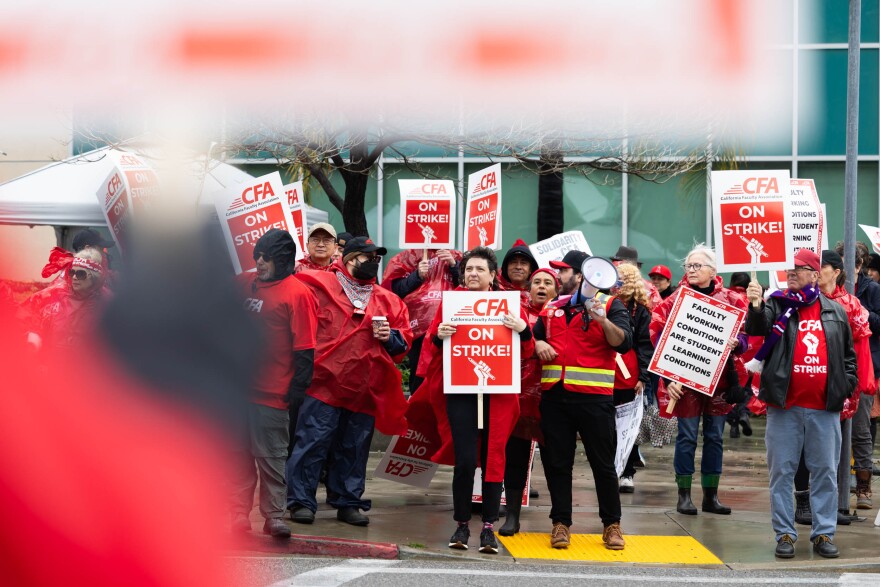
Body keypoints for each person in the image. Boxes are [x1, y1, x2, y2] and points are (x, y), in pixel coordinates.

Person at [408, 247, 534, 554]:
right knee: (464, 461)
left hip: (499, 393)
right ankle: (462, 524)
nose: (473, 274)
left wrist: (524, 331)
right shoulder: (451, 304)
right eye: (468, 270)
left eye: (480, 269)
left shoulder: (510, 306)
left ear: (493, 275)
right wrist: (439, 334)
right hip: (461, 391)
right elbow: (432, 348)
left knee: (494, 459)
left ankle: (489, 527)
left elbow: (526, 354)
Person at [287, 236, 412, 527]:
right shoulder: (317, 286)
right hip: (323, 385)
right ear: (349, 258)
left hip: (364, 389)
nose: (373, 263)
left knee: (354, 448)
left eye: (377, 259)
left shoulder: (387, 299)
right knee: (312, 442)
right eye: (367, 258)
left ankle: (348, 501)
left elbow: (403, 338)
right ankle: (301, 501)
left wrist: (391, 337)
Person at [745, 248, 857, 559]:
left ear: (814, 273)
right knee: (782, 471)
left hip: (825, 409)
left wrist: (844, 387)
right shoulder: (778, 303)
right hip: (785, 408)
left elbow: (849, 358)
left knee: (825, 472)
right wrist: (755, 303)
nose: (791, 273)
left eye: (798, 268)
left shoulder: (835, 311)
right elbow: (756, 327)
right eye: (788, 268)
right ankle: (784, 533)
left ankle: (823, 534)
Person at [533, 257, 633, 551]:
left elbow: (623, 343)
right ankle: (560, 523)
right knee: (557, 464)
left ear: (577, 275)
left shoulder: (612, 305)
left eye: (563, 271)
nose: (560, 275)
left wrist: (602, 320)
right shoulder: (552, 307)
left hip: (594, 398)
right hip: (555, 398)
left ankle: (611, 524)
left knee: (603, 464)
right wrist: (537, 343)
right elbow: (534, 339)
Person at [231, 229, 318, 539]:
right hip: (238, 392)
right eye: (258, 256)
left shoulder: (298, 294)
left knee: (271, 459)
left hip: (273, 394)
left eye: (267, 258)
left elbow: (305, 349)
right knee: (237, 457)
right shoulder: (244, 283)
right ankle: (238, 514)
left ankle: (274, 517)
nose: (260, 261)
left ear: (283, 261)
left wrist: (297, 391)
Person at [650, 245, 748, 516]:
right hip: (683, 381)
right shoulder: (673, 301)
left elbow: (745, 339)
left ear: (713, 271)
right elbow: (657, 338)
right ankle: (684, 496)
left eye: (697, 266)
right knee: (687, 436)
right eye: (688, 266)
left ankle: (710, 496)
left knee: (715, 436)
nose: (691, 270)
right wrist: (666, 375)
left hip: (720, 382)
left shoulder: (732, 299)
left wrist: (736, 342)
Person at [792, 250, 873, 526]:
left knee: (832, 448)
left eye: (822, 266)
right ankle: (803, 500)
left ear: (836, 271)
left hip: (836, 387)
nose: (817, 270)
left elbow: (860, 350)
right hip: (806, 383)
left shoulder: (851, 305)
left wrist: (854, 384)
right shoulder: (803, 300)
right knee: (804, 445)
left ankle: (831, 504)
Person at [500, 267, 558, 536]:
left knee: (556, 461)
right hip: (519, 398)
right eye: (536, 282)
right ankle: (512, 515)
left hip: (553, 400)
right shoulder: (515, 314)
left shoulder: (563, 315)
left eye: (548, 283)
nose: (541, 287)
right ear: (529, 288)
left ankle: (560, 519)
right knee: (515, 459)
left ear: (556, 291)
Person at [834, 241, 880, 509]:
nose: (843, 270)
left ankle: (863, 487)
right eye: (839, 264)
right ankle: (837, 484)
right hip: (834, 365)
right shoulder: (831, 290)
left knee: (861, 429)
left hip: (863, 364)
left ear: (860, 265)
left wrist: (863, 314)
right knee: (834, 427)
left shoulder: (871, 289)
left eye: (848, 264)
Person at [382, 247, 462, 393]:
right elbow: (393, 292)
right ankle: (418, 411)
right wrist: (417, 276)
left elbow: (468, 286)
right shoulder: (408, 256)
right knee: (420, 374)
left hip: (452, 327)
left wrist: (454, 265)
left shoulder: (456, 256)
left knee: (450, 374)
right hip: (418, 330)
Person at [611, 263, 653, 494]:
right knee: (606, 427)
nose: (617, 283)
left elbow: (646, 346)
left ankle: (627, 472)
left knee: (627, 427)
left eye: (622, 279)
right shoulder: (602, 303)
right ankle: (610, 470)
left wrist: (643, 377)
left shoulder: (641, 311)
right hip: (604, 373)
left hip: (629, 375)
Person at [22, 248, 112, 353]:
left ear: (94, 277)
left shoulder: (108, 304)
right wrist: (34, 335)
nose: (74, 277)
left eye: (81, 274)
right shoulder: (54, 296)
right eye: (72, 272)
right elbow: (28, 317)